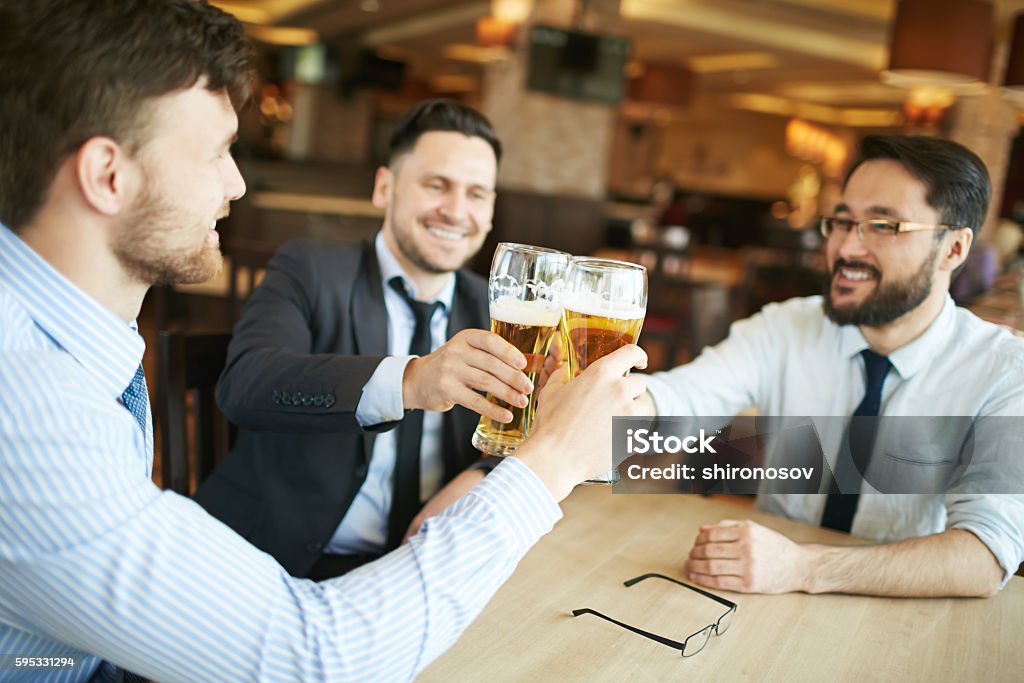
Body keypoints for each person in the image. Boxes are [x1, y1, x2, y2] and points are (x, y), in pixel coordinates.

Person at [0, 1, 649, 680]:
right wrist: (541, 455)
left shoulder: (500, 306)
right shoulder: (30, 407)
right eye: (219, 151)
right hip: (292, 589)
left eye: (478, 193)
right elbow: (312, 656)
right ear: (108, 174)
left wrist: (512, 460)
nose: (238, 183)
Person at [638, 135, 1024, 598]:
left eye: (884, 225)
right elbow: (677, 402)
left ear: (953, 249)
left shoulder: (1004, 371)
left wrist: (803, 568)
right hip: (760, 600)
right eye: (842, 222)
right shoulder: (786, 326)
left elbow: (983, 557)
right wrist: (594, 391)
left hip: (903, 623)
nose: (845, 248)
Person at [193, 99, 527, 581]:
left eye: (477, 194)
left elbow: (528, 434)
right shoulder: (309, 269)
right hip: (276, 567)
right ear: (384, 188)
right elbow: (244, 384)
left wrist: (478, 477)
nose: (456, 211)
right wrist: (410, 381)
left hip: (424, 573)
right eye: (437, 185)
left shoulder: (501, 310)